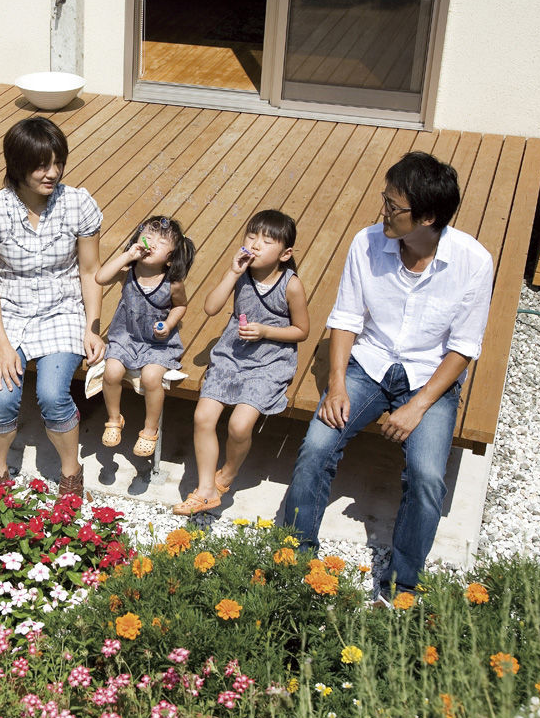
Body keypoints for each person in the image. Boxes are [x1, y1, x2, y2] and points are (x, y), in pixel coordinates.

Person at [282, 151, 493, 601]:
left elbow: (463, 349)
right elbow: (346, 319)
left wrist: (417, 408)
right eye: (385, 199)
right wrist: (337, 382)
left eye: (394, 206)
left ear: (428, 217)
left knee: (427, 475)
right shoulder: (367, 242)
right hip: (369, 363)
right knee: (317, 443)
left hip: (430, 377)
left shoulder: (474, 262)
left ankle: (401, 584)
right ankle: (295, 556)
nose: (383, 212)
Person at [0, 117, 105, 498]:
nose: (53, 173)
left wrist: (92, 327)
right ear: (17, 165)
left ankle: (71, 473)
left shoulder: (78, 203)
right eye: (42, 165)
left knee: (52, 393)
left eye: (58, 162)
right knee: (1, 396)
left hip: (61, 308)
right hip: (9, 311)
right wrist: (1, 345)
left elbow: (90, 271)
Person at [179, 209, 310, 516]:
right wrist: (233, 273)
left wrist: (266, 331)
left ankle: (227, 474)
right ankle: (206, 488)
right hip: (233, 355)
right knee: (203, 417)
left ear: (285, 253)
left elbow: (301, 331)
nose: (256, 244)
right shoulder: (241, 275)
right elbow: (211, 308)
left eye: (267, 240)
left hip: (270, 361)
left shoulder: (291, 285)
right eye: (251, 236)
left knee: (240, 424)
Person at [95, 215, 196, 458]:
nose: (150, 242)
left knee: (152, 377)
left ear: (170, 258)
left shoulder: (172, 282)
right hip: (126, 335)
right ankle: (113, 419)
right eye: (146, 236)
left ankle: (150, 430)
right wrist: (128, 255)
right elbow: (100, 277)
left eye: (160, 242)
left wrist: (170, 323)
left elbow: (180, 306)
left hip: (157, 342)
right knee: (111, 371)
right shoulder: (128, 270)